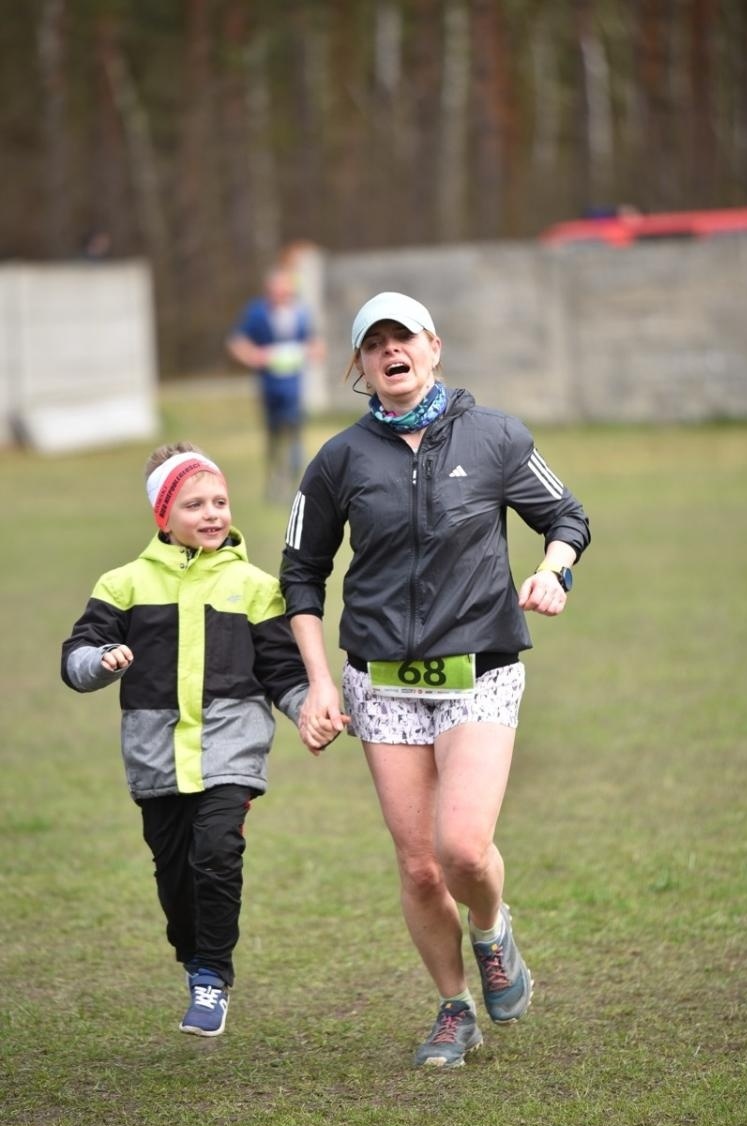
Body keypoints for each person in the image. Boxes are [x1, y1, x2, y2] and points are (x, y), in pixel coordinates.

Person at [280, 292, 591, 1068]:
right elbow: (300, 575)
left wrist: (553, 573)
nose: (391, 350)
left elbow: (566, 517)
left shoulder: (494, 437)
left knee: (461, 848)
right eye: (373, 343)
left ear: (433, 348)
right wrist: (320, 683)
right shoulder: (338, 460)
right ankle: (454, 1009)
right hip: (379, 683)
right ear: (358, 365)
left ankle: (491, 932)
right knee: (419, 867)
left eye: (403, 337)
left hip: (478, 671)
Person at [61, 442, 338, 1038]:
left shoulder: (256, 587)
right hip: (155, 758)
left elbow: (281, 671)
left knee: (216, 849)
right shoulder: (123, 584)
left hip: (230, 750)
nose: (212, 513)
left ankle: (212, 974)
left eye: (219, 500)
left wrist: (306, 712)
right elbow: (75, 657)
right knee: (174, 873)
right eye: (194, 504)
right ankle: (193, 957)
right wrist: (103, 661)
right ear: (162, 515)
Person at [227, 266, 323, 498]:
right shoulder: (257, 313)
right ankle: (274, 480)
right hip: (270, 388)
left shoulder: (301, 313)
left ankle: (296, 484)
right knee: (273, 436)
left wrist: (307, 352)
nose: (280, 294)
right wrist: (256, 357)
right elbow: (236, 342)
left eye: (284, 289)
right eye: (275, 290)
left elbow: (317, 345)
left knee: (295, 434)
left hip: (294, 388)